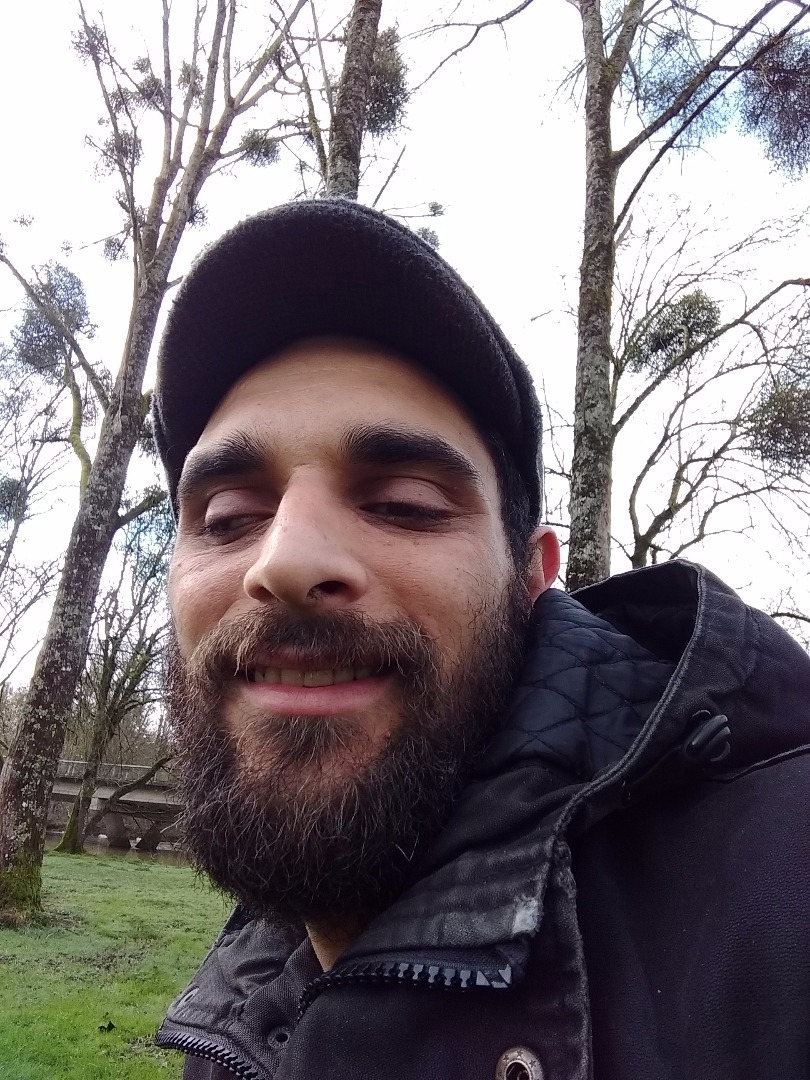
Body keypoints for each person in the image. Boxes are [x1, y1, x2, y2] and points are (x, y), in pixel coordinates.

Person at [153, 199, 810, 1080]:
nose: (285, 560)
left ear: (533, 577)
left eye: (404, 505)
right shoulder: (246, 1005)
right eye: (228, 516)